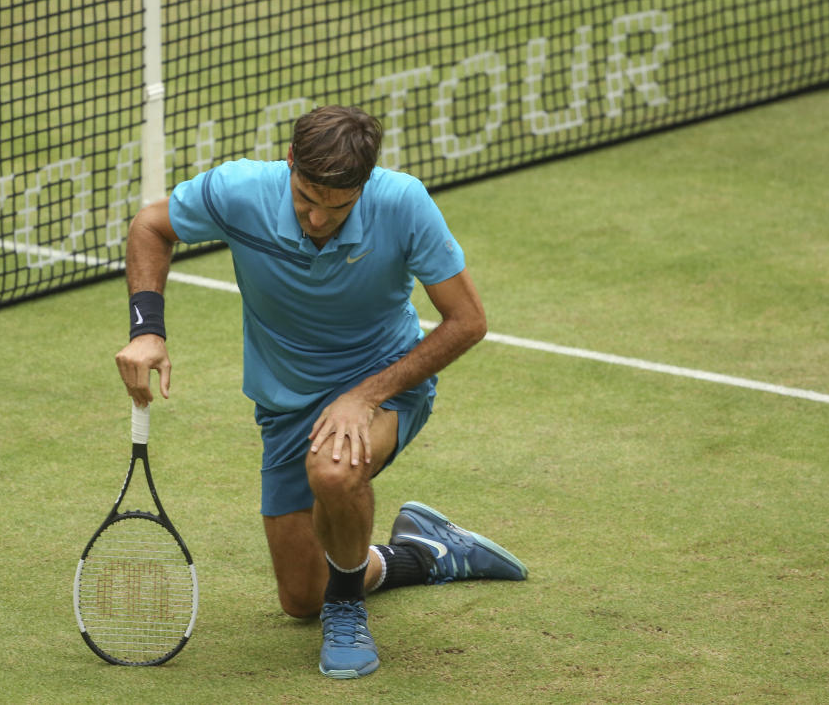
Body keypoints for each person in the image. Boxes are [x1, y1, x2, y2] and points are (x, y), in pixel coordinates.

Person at [114, 105, 527, 679]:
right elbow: (151, 226)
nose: (315, 219)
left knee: (334, 470)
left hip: (383, 382)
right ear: (290, 163)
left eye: (337, 208)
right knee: (300, 599)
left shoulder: (402, 203)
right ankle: (427, 551)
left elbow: (467, 321)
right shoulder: (240, 191)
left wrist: (365, 395)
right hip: (285, 405)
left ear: (363, 186)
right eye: (306, 198)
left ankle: (349, 607)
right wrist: (147, 329)